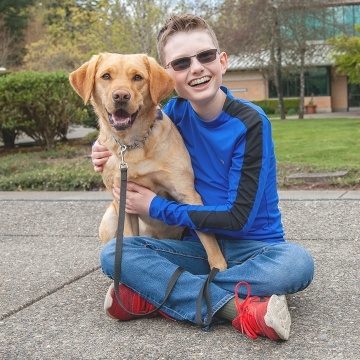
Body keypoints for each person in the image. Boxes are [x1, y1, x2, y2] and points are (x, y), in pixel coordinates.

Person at [92, 14, 314, 341]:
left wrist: (156, 207)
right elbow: (131, 127)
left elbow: (236, 218)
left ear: (222, 61)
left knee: (297, 264)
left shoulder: (251, 123)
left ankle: (156, 296)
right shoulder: (173, 116)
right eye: (181, 63)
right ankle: (237, 308)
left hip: (255, 250)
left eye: (205, 56)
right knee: (113, 255)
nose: (196, 68)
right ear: (167, 77)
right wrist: (104, 145)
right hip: (196, 248)